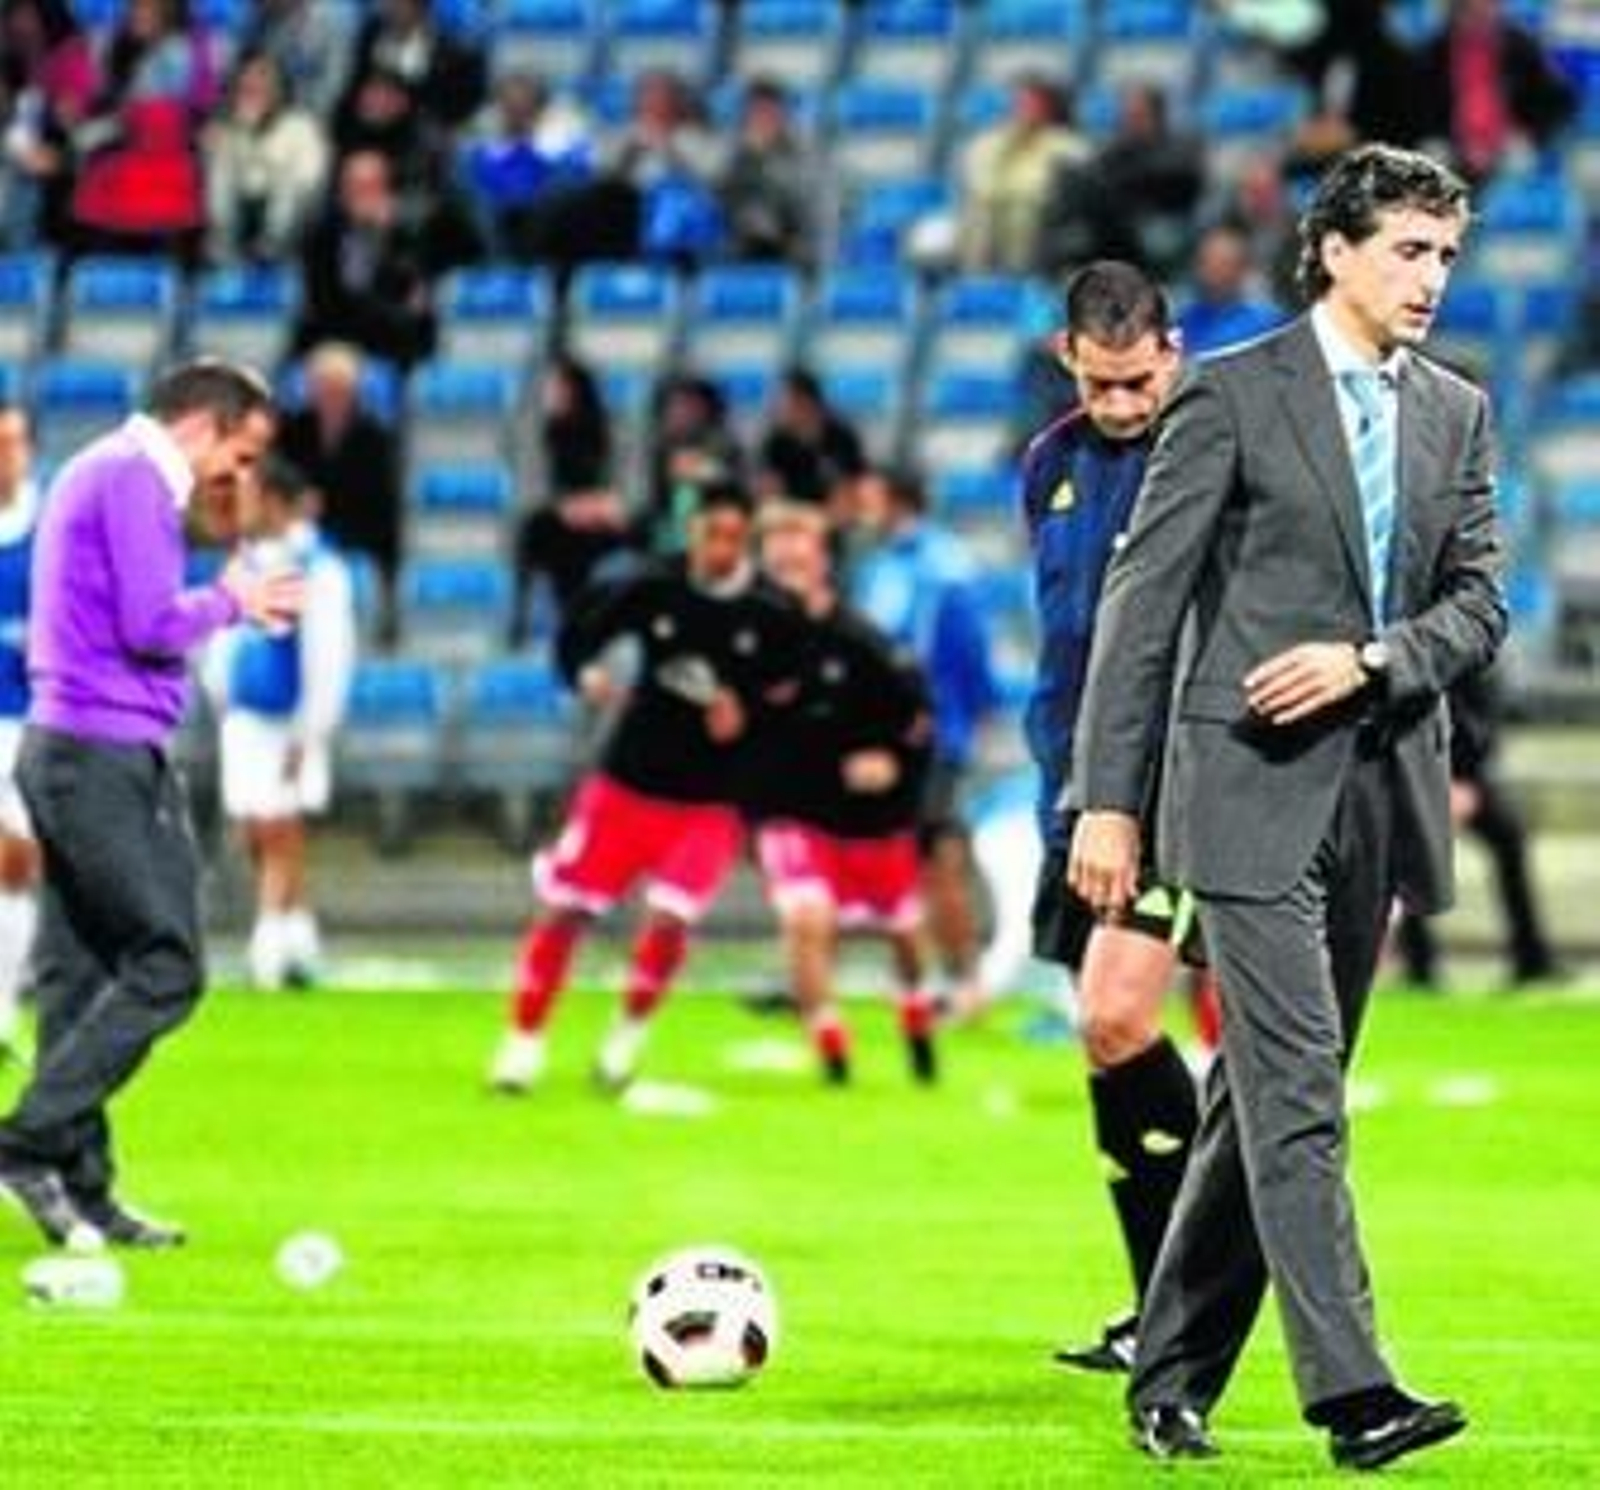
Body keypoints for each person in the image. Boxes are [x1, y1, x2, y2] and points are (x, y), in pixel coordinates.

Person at [1068, 144, 1505, 1468]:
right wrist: (1108, 802)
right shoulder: (1230, 392)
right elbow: (1141, 610)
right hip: (1244, 789)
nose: (1431, 278)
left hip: (1380, 791)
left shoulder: (1456, 411)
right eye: (1408, 250)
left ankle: (1168, 1373)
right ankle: (1354, 1393)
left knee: (1259, 1097)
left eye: (1445, 254)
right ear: (1332, 250)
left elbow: (1479, 606)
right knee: (1300, 1089)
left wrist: (1371, 660)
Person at [0, 358, 303, 1253]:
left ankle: (83, 1187)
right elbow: (150, 624)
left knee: (80, 974)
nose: (239, 474)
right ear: (203, 424)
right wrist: (231, 602)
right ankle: (24, 1143)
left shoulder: (104, 471)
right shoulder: (134, 477)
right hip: (99, 752)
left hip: (74, 746)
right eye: (240, 454)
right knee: (168, 963)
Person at [1019, 262, 1216, 1375]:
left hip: (1170, 786)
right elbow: (1068, 637)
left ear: (1171, 352)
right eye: (1101, 383)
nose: (1123, 404)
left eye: (1139, 380)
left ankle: (1204, 1289)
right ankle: (1159, 1308)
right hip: (1071, 784)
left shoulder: (1213, 450)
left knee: (1114, 1015)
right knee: (1106, 1049)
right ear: (1068, 358)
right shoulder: (1048, 462)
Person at [489, 481, 805, 1095]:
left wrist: (748, 715)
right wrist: (585, 673)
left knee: (669, 919)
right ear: (691, 532)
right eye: (712, 535)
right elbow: (578, 631)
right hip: (628, 783)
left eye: (735, 538)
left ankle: (624, 1040)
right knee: (564, 908)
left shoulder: (773, 613)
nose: (722, 549)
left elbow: (792, 701)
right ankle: (522, 1045)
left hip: (710, 801)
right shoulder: (651, 585)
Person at [750, 502, 935, 1085]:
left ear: (823, 561)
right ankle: (831, 1049)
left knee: (904, 937)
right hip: (789, 813)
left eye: (798, 554)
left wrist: (890, 760)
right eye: (777, 556)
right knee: (806, 916)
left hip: (868, 819)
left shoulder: (864, 642)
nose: (788, 565)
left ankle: (916, 1020)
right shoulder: (748, 643)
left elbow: (918, 721)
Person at [848, 466, 998, 1018]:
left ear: (897, 502)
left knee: (937, 859)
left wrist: (950, 716)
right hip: (891, 733)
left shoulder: (940, 567)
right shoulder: (882, 564)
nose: (862, 512)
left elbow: (963, 650)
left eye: (871, 500)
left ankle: (962, 980)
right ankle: (936, 975)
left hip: (930, 735)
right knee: (915, 858)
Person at [206, 454, 355, 990]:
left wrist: (309, 731)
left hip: (287, 719)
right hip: (244, 718)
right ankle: (300, 939)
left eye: (248, 495)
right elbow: (224, 633)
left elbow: (328, 654)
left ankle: (267, 949)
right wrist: (220, 692)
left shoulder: (317, 567)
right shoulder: (246, 560)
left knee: (279, 830)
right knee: (256, 832)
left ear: (272, 502)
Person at [1393, 664, 1561, 988]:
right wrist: (1458, 779)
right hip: (1432, 772)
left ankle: (1530, 959)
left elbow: (1479, 718)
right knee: (1411, 858)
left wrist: (1467, 779)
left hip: (1458, 773)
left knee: (1504, 844)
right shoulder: (1463, 653)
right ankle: (1421, 964)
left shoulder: (1472, 657)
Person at [0, 404, 41, 1058]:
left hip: (34, 717)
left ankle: (4, 1005)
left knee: (16, 863)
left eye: (11, 443)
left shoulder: (52, 525)